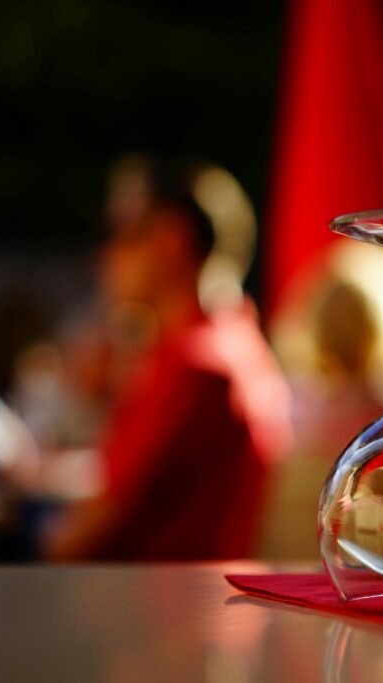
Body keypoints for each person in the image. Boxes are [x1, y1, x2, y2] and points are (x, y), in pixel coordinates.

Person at [45, 156, 291, 560]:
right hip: (183, 601)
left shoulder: (194, 365)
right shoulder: (233, 343)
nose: (105, 255)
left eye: (123, 233)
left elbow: (82, 538)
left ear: (170, 239)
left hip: (152, 612)